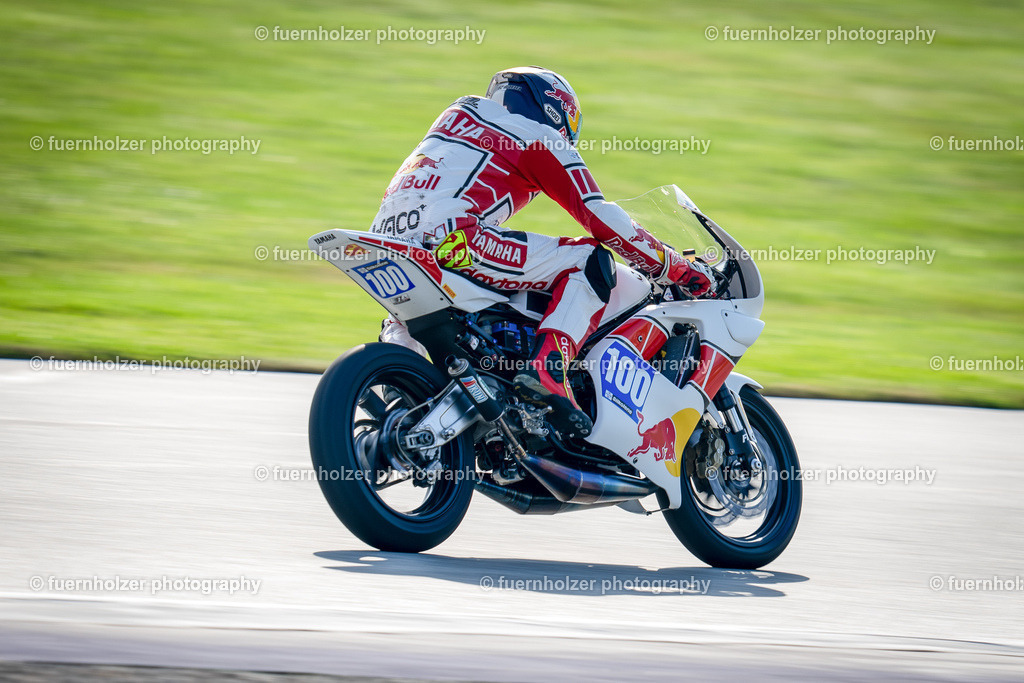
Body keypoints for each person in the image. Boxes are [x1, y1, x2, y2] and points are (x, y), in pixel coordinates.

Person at [372, 66, 714, 437]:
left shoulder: (455, 118)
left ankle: (399, 382)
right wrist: (673, 266)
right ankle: (549, 370)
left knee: (407, 312)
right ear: (554, 111)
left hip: (386, 240)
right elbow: (599, 217)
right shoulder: (538, 136)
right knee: (589, 259)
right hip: (456, 239)